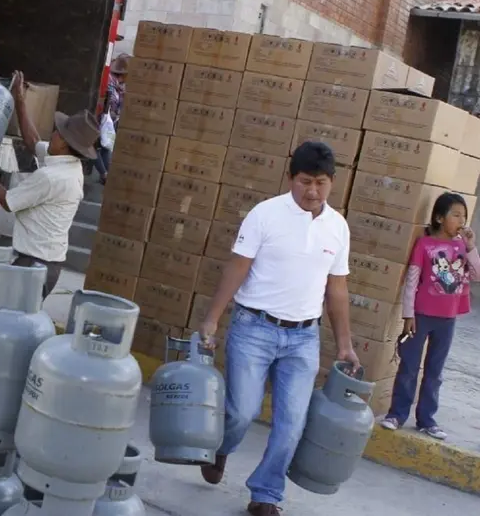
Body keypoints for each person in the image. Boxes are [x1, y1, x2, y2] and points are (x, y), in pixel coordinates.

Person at [197, 141, 361, 516]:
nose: (312, 191)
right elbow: (237, 266)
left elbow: (337, 288)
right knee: (242, 411)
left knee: (291, 424)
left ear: (332, 182)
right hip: (254, 327)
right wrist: (212, 318)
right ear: (290, 178)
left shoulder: (338, 228)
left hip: (303, 338)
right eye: (305, 181)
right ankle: (221, 448)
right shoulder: (264, 215)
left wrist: (345, 345)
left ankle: (266, 494)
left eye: (321, 183)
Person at [0, 72, 95, 299]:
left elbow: (8, 202)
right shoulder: (70, 165)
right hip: (45, 264)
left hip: (34, 265)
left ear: (65, 145)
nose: (54, 133)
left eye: (59, 133)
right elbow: (33, 142)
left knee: (5, 321)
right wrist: (19, 101)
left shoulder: (52, 177)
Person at [379, 193, 480, 440]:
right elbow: (412, 281)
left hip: (447, 319)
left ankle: (427, 420)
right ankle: (397, 414)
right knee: (409, 366)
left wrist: (470, 246)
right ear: (438, 218)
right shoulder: (424, 245)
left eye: (464, 216)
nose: (461, 220)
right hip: (421, 315)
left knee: (435, 370)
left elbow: (477, 274)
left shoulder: (461, 247)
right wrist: (408, 315)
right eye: (455, 215)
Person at [95, 53, 127, 184]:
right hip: (104, 119)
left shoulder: (117, 84)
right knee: (97, 147)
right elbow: (110, 102)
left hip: (108, 120)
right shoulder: (112, 83)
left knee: (105, 146)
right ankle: (104, 174)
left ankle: (106, 175)